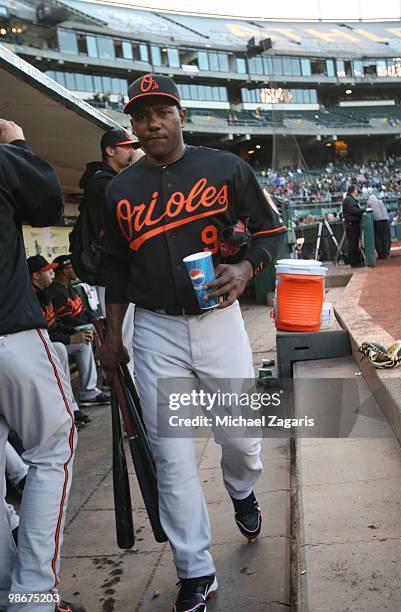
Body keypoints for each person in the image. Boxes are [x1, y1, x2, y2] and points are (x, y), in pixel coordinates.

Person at [98, 74, 285, 612]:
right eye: (140, 115)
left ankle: (242, 489)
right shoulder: (119, 190)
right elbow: (113, 267)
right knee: (171, 457)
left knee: (242, 438)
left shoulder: (225, 167)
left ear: (180, 115)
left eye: (161, 111)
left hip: (219, 322)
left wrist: (247, 267)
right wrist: (113, 336)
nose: (151, 122)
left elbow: (271, 230)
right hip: (156, 329)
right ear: (131, 126)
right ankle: (195, 570)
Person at [0, 118, 83, 612]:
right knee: (53, 446)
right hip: (9, 331)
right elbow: (48, 203)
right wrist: (16, 145)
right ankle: (31, 596)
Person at [78, 129, 143, 377]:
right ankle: (132, 400)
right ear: (110, 150)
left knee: (133, 339)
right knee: (124, 340)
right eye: (127, 147)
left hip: (118, 271)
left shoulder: (110, 178)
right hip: (109, 273)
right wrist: (139, 167)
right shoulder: (100, 180)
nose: (132, 151)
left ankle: (136, 397)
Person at [28, 254, 102, 417]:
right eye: (47, 271)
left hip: (49, 341)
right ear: (36, 276)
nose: (52, 274)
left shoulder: (44, 293)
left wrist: (74, 333)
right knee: (60, 348)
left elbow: (53, 325)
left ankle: (88, 391)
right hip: (35, 347)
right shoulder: (29, 299)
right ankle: (68, 405)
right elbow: (39, 334)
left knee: (83, 342)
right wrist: (69, 338)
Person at [47, 255, 109, 407]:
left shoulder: (71, 289)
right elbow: (67, 320)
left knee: (96, 329)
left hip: (73, 329)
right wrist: (89, 326)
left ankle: (106, 377)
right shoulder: (55, 291)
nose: (75, 270)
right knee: (87, 335)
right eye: (71, 267)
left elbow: (83, 312)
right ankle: (92, 388)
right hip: (68, 332)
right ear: (64, 271)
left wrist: (94, 321)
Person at [342, 184, 364, 267]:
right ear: (354, 190)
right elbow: (353, 210)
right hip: (352, 224)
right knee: (353, 243)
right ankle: (354, 262)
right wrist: (363, 210)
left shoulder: (349, 199)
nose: (357, 191)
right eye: (356, 189)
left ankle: (356, 261)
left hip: (352, 223)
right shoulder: (349, 199)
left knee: (354, 243)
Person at [366, 193, 391, 259]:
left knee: (377, 237)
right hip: (385, 220)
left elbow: (368, 209)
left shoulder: (370, 201)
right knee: (386, 237)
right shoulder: (380, 201)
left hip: (377, 221)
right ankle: (386, 253)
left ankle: (381, 254)